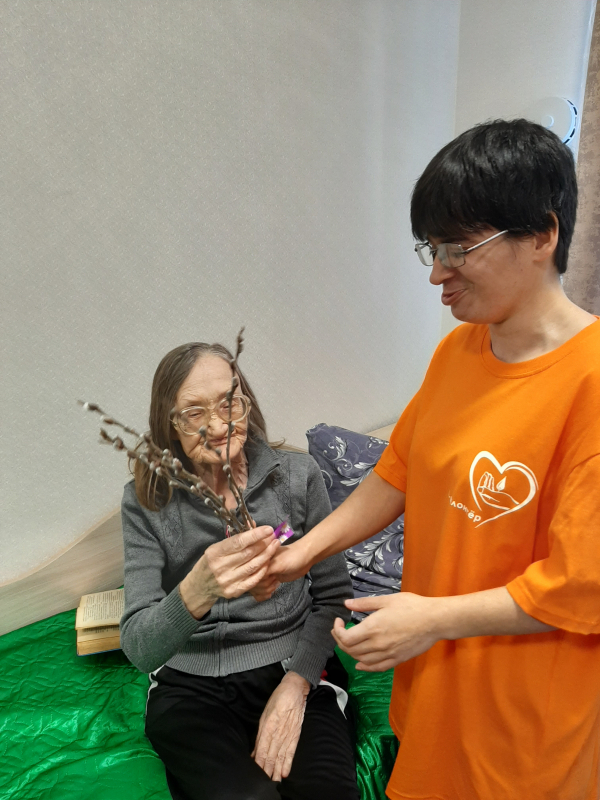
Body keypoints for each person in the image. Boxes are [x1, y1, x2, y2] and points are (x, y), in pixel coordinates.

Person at [268, 119, 600, 800]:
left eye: (458, 249)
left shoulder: (589, 383)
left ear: (542, 235)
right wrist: (302, 553)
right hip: (433, 689)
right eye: (432, 248)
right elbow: (399, 471)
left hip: (523, 727)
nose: (437, 273)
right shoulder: (459, 351)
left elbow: (579, 588)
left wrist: (430, 618)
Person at [119, 341, 359, 800]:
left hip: (293, 666)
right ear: (169, 424)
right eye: (194, 413)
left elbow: (333, 596)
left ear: (245, 404)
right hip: (190, 688)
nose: (217, 426)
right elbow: (140, 648)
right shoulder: (146, 501)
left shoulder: (297, 477)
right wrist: (197, 590)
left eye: (229, 403)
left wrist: (297, 684)